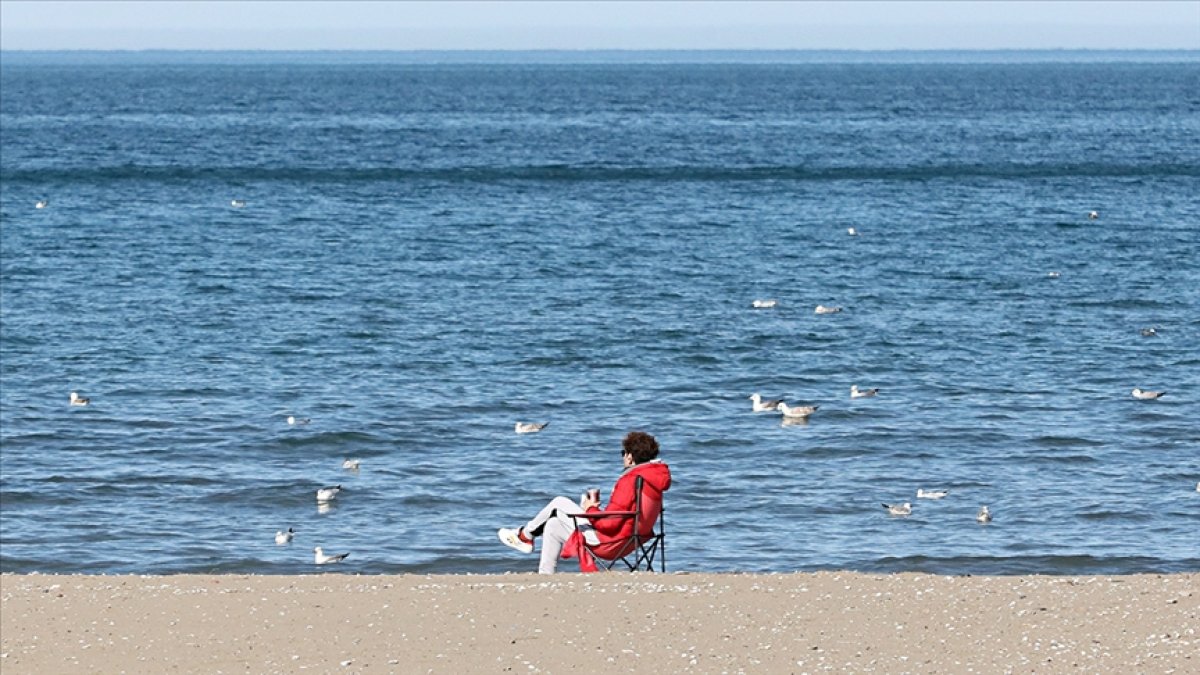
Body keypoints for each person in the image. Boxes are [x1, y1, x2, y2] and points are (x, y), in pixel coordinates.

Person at [497, 430, 671, 574]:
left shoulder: (630, 480)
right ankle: (545, 576)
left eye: (623, 453)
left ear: (631, 457)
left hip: (610, 543)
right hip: (631, 541)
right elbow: (626, 516)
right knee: (554, 524)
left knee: (559, 501)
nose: (622, 457)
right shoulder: (652, 479)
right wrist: (596, 511)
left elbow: (610, 524)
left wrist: (591, 509)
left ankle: (525, 536)